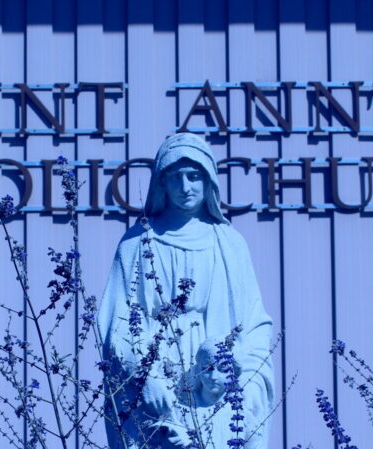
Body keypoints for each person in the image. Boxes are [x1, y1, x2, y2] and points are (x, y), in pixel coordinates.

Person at [97, 133, 275, 449]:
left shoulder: (229, 243)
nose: (185, 187)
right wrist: (144, 378)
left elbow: (254, 322)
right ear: (161, 183)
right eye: (175, 177)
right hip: (156, 380)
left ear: (208, 182)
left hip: (215, 383)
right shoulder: (137, 242)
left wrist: (238, 378)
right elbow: (118, 320)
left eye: (194, 176)